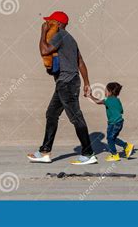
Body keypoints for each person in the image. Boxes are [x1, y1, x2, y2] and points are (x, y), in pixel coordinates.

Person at [27, 11, 97, 165]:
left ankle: (88, 153)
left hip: (67, 83)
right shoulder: (71, 39)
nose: (48, 23)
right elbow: (80, 62)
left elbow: (44, 51)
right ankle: (45, 152)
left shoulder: (59, 36)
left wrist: (43, 32)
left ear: (58, 24)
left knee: (75, 117)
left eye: (50, 21)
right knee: (51, 114)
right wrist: (86, 83)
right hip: (67, 82)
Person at [88, 82, 134, 161]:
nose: (104, 92)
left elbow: (97, 102)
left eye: (105, 91)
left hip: (113, 123)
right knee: (113, 138)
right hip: (120, 122)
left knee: (110, 138)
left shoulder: (107, 100)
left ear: (110, 92)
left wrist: (90, 96)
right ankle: (126, 146)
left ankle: (115, 154)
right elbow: (121, 111)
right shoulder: (117, 100)